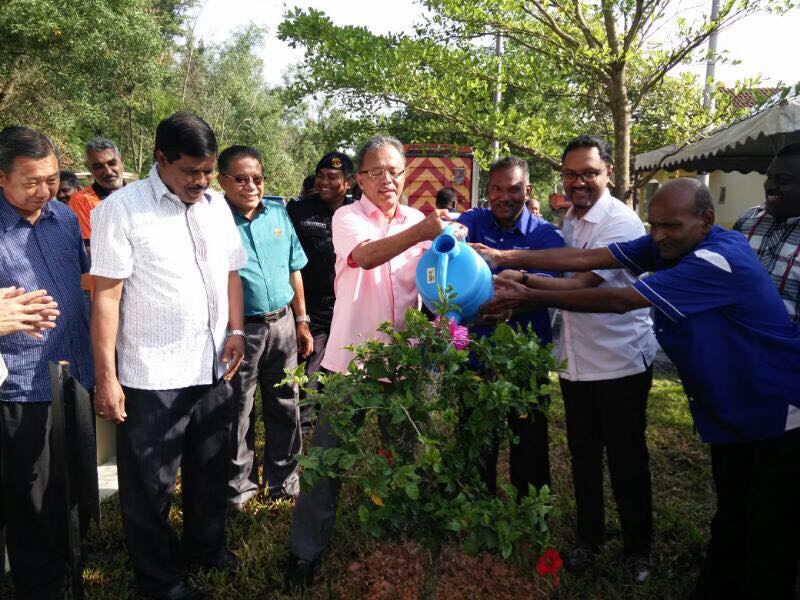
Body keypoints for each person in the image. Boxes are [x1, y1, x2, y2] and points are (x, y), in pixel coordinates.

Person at [480, 177, 800, 600]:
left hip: (778, 406)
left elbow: (621, 300)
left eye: (670, 227)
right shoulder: (671, 243)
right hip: (736, 406)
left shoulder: (715, 260)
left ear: (705, 220)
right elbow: (588, 258)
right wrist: (507, 256)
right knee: (732, 511)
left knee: (769, 527)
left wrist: (529, 296)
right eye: (653, 225)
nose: (658, 235)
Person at [473, 135, 657, 582]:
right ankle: (589, 538)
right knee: (583, 455)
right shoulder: (571, 219)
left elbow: (580, 284)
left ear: (608, 172)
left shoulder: (621, 223)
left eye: (589, 173)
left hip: (619, 362)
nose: (579, 182)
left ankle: (638, 549)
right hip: (576, 362)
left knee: (626, 457)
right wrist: (519, 272)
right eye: (571, 174)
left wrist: (520, 285)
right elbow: (559, 260)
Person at [285, 135, 464, 589]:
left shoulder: (419, 221)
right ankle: (304, 553)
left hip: (402, 364)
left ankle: (398, 539)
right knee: (325, 462)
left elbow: (438, 280)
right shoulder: (347, 217)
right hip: (350, 364)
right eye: (375, 171)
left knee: (402, 456)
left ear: (406, 173)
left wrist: (459, 251)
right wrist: (425, 231)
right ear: (358, 179)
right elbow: (364, 256)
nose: (387, 179)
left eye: (395, 170)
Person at [90, 112, 247, 600]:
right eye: (190, 171)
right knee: (150, 487)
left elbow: (231, 273)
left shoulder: (217, 207)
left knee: (210, 467)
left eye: (207, 171)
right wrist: (107, 377)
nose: (201, 181)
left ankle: (204, 549)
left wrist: (236, 328)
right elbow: (106, 297)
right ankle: (158, 581)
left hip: (213, 364)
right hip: (151, 374)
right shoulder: (121, 210)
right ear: (161, 159)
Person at [0, 125, 91, 599]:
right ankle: (39, 585)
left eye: (52, 178)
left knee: (70, 484)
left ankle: (71, 564)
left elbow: (81, 284)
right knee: (29, 494)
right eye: (31, 182)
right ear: (1, 178)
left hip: (72, 374)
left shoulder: (63, 217)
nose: (45, 191)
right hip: (18, 387)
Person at [455, 156, 564, 497]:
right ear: (487, 191)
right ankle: (474, 505)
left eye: (514, 189)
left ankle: (529, 512)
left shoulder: (547, 238)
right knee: (474, 436)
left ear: (527, 190)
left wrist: (510, 305)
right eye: (497, 189)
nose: (504, 197)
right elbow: (449, 249)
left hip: (524, 358)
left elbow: (548, 289)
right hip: (475, 354)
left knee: (529, 437)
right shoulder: (474, 221)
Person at [217, 145, 311, 508]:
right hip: (240, 331)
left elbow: (294, 268)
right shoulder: (213, 219)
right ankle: (239, 488)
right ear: (222, 180)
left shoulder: (278, 215)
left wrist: (302, 321)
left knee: (286, 404)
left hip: (283, 325)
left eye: (257, 178)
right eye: (241, 179)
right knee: (238, 410)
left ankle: (283, 481)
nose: (251, 186)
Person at [287, 151, 354, 432]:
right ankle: (300, 452)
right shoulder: (299, 211)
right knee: (307, 385)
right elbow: (289, 262)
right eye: (320, 176)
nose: (324, 182)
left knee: (341, 383)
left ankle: (330, 446)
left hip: (348, 312)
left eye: (332, 177)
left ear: (348, 183)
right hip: (313, 312)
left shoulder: (359, 212)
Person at [733, 142, 800, 322]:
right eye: (769, 176)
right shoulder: (747, 221)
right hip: (733, 344)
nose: (769, 185)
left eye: (782, 180)